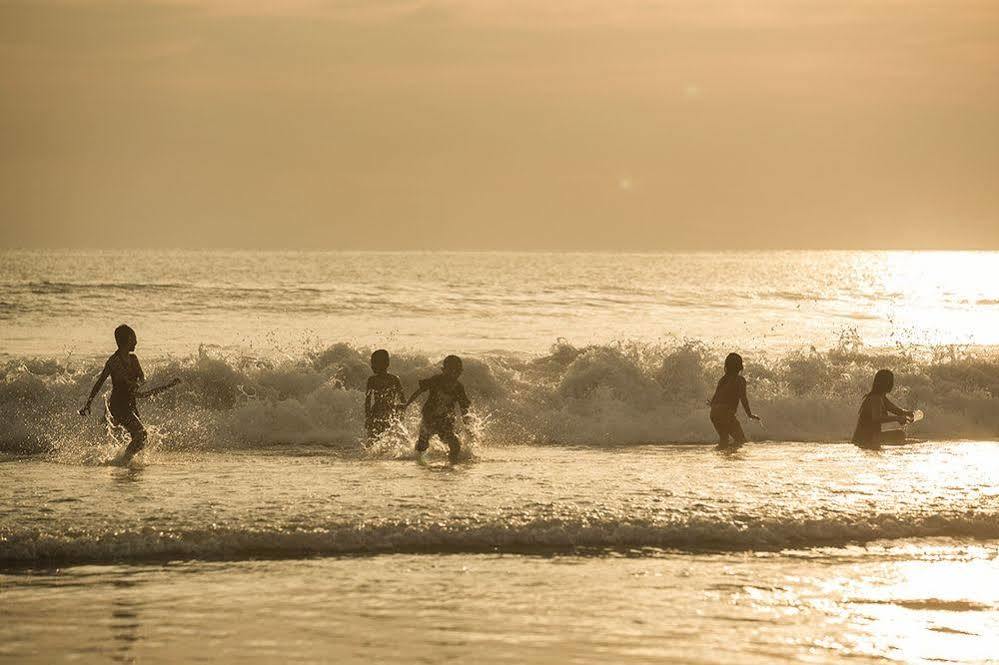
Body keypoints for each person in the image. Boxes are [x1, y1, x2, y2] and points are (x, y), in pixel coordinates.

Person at [79, 324, 178, 460]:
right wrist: (88, 403)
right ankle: (123, 462)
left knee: (140, 438)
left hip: (131, 404)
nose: (136, 342)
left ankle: (122, 462)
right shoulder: (113, 361)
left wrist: (164, 385)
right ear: (129, 339)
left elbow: (142, 381)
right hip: (118, 406)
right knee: (141, 435)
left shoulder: (134, 359)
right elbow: (99, 382)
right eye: (134, 338)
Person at [403, 355, 471, 465]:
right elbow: (420, 391)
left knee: (455, 445)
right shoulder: (436, 380)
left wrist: (468, 425)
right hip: (429, 418)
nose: (454, 374)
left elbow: (464, 407)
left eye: (457, 371)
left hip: (446, 420)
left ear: (460, 372)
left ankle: (452, 464)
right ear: (444, 370)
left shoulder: (459, 387)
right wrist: (406, 404)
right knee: (423, 445)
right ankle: (419, 463)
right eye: (451, 370)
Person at [709, 352, 761, 447]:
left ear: (726, 366)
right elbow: (743, 398)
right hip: (725, 413)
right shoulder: (740, 380)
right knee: (741, 440)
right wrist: (749, 414)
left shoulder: (723, 379)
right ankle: (731, 458)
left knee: (724, 439)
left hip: (714, 413)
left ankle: (721, 457)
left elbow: (715, 396)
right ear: (740, 366)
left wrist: (713, 404)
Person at [852, 369, 914, 446]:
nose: (892, 384)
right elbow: (877, 418)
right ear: (886, 383)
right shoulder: (875, 398)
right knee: (899, 434)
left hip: (872, 436)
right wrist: (897, 418)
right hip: (864, 438)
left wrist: (910, 413)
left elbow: (897, 411)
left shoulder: (882, 397)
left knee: (900, 434)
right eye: (891, 381)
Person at [364, 349, 405, 442]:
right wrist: (368, 417)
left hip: (381, 413)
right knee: (382, 438)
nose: (372, 366)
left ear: (384, 364)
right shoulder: (393, 379)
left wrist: (368, 417)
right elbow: (368, 401)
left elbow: (367, 401)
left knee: (376, 439)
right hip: (385, 413)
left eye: (374, 363)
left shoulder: (373, 380)